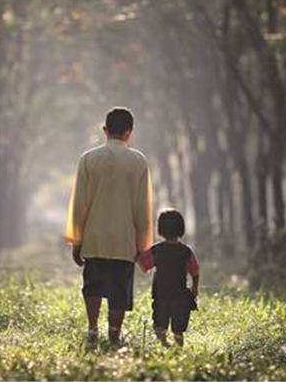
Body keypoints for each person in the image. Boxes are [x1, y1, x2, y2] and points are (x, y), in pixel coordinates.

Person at [65, 107, 154, 348]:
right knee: (119, 291)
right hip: (124, 239)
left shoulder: (88, 159)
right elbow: (142, 208)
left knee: (92, 284)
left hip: (94, 237)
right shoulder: (138, 161)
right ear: (129, 132)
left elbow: (79, 203)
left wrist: (76, 240)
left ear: (105, 130)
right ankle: (114, 336)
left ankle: (93, 329)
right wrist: (143, 245)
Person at [138, 209, 200, 347]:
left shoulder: (156, 250)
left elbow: (144, 267)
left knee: (159, 324)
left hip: (161, 294)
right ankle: (178, 350)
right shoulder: (186, 251)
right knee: (178, 329)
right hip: (180, 295)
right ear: (181, 228)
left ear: (160, 229)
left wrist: (137, 255)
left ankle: (164, 343)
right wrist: (195, 287)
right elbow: (195, 271)